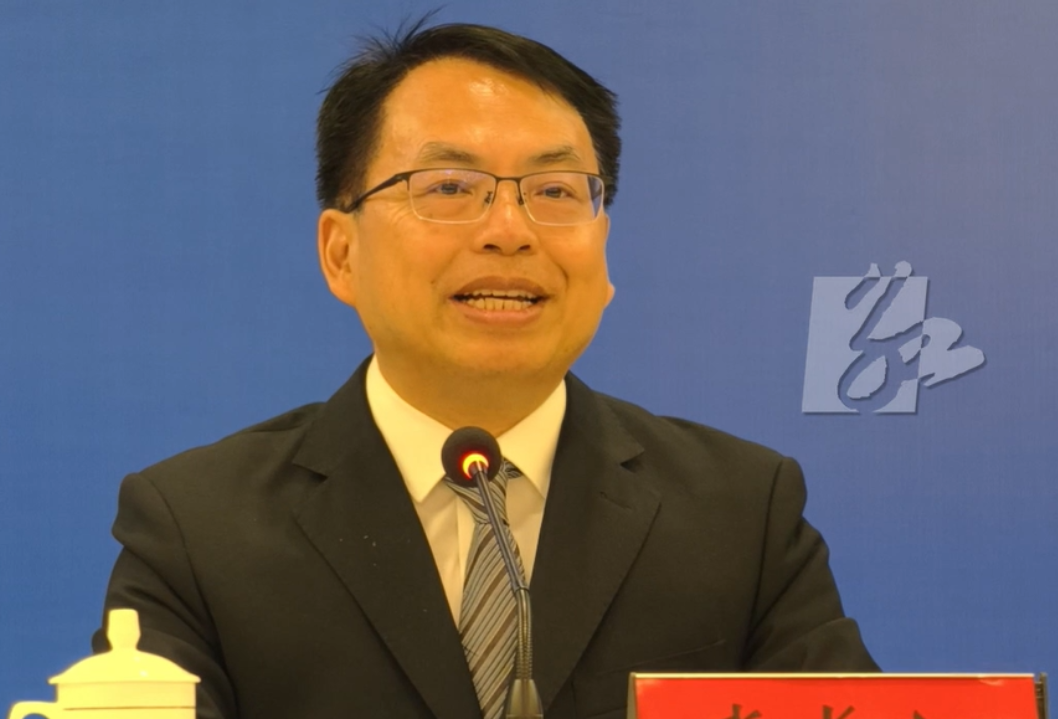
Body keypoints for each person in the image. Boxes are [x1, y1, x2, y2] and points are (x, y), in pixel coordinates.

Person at [94, 20, 878, 719]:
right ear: (341, 253)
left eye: (556, 191)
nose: (510, 229)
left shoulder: (740, 514)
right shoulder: (197, 531)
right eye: (449, 187)